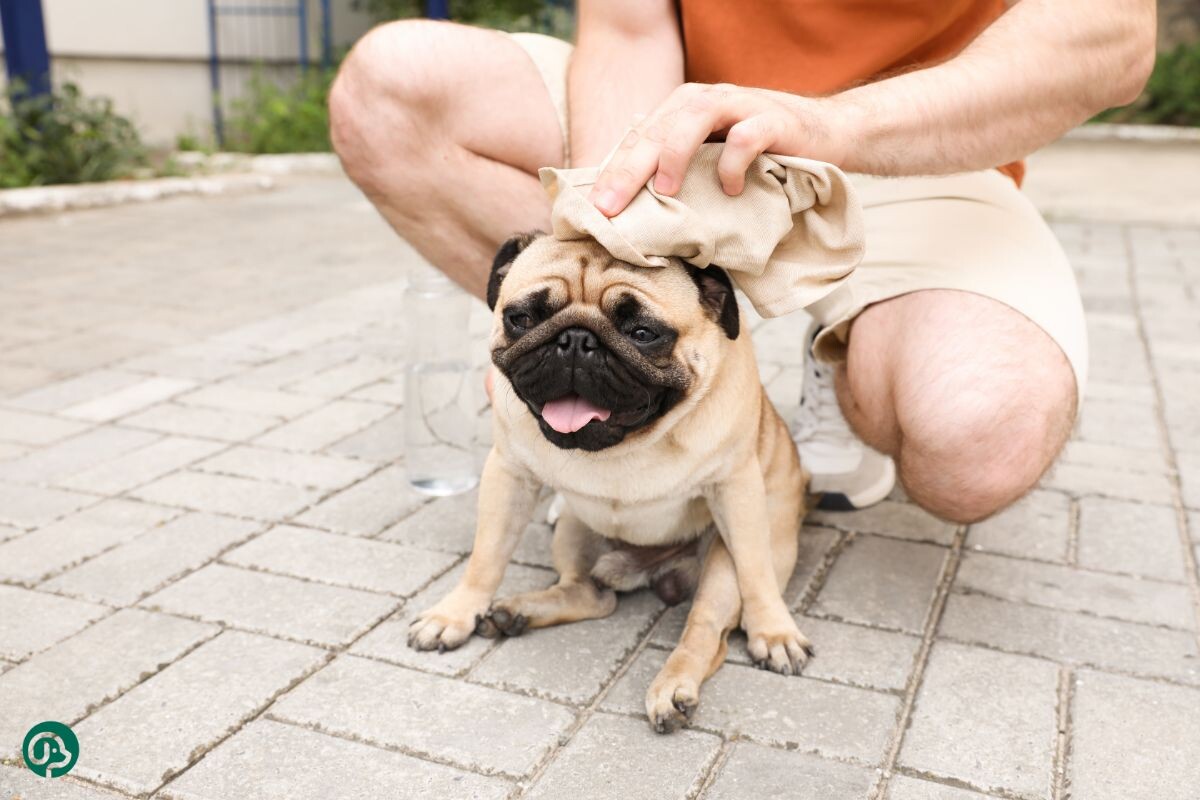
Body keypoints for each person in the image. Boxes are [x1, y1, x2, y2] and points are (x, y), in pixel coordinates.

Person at [328, 0, 1156, 523]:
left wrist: (833, 124)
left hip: (914, 146)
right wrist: (605, 246)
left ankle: (846, 354)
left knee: (978, 444)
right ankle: (644, 385)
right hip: (688, 120)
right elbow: (627, 26)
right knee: (391, 88)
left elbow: (1111, 35)